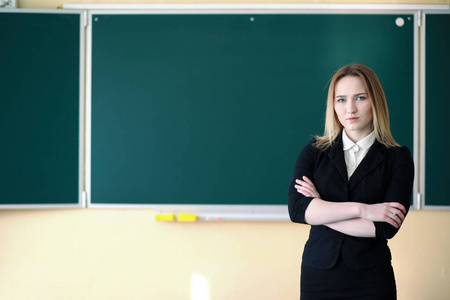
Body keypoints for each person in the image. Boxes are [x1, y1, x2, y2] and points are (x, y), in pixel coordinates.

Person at [287, 64, 414, 300]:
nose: (350, 109)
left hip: (371, 279)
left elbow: (385, 227)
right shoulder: (314, 152)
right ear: (333, 106)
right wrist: (363, 210)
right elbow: (297, 210)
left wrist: (321, 207)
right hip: (319, 277)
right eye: (341, 100)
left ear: (375, 101)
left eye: (360, 98)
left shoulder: (398, 157)